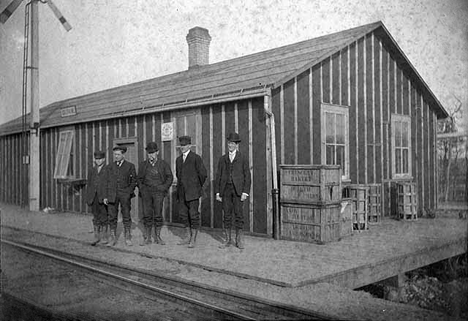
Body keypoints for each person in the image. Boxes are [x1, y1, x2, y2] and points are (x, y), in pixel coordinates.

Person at [215, 132, 251, 249]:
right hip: (225, 191)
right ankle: (227, 240)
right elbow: (218, 176)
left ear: (236, 145)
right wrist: (218, 192)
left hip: (238, 191)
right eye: (229, 143)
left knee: (239, 215)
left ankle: (239, 240)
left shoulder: (242, 158)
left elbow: (247, 176)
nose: (230, 145)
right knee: (227, 215)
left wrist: (245, 192)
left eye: (232, 143)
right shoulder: (223, 159)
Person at [137, 142, 173, 246]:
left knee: (157, 215)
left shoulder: (163, 164)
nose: (151, 155)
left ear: (157, 152)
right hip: (146, 193)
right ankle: (147, 237)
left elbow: (169, 177)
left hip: (158, 193)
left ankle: (157, 237)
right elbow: (139, 179)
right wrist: (142, 189)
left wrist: (163, 188)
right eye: (149, 153)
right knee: (147, 215)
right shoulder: (143, 165)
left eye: (153, 153)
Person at [175, 135, 207, 248]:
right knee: (184, 215)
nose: (182, 147)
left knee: (193, 215)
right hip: (182, 193)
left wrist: (196, 186)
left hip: (193, 193)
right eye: (181, 145)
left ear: (189, 146)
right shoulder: (178, 160)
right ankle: (187, 236)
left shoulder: (196, 158)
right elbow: (178, 175)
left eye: (184, 145)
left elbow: (203, 174)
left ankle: (193, 239)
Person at [105, 146, 137, 246]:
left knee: (126, 215)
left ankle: (127, 237)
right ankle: (113, 238)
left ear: (123, 155)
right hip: (112, 195)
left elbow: (133, 181)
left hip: (125, 195)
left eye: (118, 154)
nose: (116, 156)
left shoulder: (130, 166)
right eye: (115, 154)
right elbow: (106, 182)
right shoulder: (110, 166)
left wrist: (128, 192)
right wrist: (106, 196)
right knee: (112, 216)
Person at [85, 150, 109, 246]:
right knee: (95, 217)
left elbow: (109, 184)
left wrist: (106, 197)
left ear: (104, 159)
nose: (98, 161)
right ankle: (96, 236)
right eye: (96, 159)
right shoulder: (92, 170)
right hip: (93, 197)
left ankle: (104, 237)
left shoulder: (107, 170)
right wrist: (88, 197)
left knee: (103, 216)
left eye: (100, 159)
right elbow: (89, 184)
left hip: (103, 198)